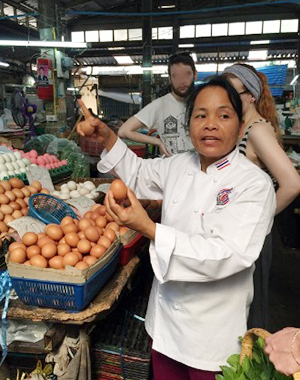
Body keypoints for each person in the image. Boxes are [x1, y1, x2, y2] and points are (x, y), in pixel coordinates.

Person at [77, 77, 276, 379]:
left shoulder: (253, 183)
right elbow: (139, 172)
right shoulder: (178, 164)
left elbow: (227, 254)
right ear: (188, 125)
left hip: (212, 336)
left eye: (223, 115)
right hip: (167, 325)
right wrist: (107, 137)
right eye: (200, 115)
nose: (210, 124)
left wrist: (150, 229)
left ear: (240, 125)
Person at [222, 63, 300, 330]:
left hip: (251, 235)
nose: (226, 101)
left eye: (232, 94)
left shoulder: (257, 130)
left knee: (250, 308)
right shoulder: (242, 127)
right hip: (237, 233)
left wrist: (259, 217)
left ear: (250, 96)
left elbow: (292, 184)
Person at [117, 52, 197, 156]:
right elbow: (124, 131)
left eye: (186, 74)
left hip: (200, 168)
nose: (182, 81)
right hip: (171, 169)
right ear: (170, 79)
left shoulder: (203, 102)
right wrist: (157, 142)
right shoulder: (160, 105)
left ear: (195, 74)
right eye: (176, 76)